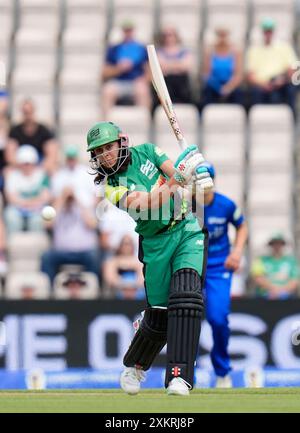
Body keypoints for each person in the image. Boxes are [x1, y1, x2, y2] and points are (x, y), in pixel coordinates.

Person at [86, 121, 213, 396]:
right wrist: (181, 175)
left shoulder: (147, 151)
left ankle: (180, 377)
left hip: (186, 228)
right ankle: (135, 365)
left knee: (186, 297)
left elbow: (176, 177)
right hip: (155, 244)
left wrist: (197, 175)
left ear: (121, 141)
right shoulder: (111, 188)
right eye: (98, 152)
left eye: (108, 147)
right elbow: (149, 203)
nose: (105, 154)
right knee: (159, 317)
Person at [202, 163, 248, 388]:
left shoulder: (225, 204)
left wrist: (237, 251)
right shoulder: (185, 205)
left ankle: (222, 371)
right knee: (182, 320)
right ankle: (182, 371)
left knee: (218, 319)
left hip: (219, 268)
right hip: (191, 266)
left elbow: (242, 225)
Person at [41, 186, 99, 285]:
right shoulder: (57, 210)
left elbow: (92, 224)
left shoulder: (83, 209)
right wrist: (62, 199)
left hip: (83, 252)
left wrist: (76, 199)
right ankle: (49, 292)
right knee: (46, 257)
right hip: (61, 252)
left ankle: (93, 290)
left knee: (94, 257)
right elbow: (47, 224)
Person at [246, 18, 297, 116]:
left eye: (270, 31)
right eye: (266, 31)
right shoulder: (253, 50)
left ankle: (292, 120)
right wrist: (264, 84)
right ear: (262, 32)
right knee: (256, 93)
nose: (268, 33)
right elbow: (250, 76)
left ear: (273, 32)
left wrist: (283, 80)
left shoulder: (284, 47)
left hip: (281, 83)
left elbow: (292, 69)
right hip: (261, 85)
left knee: (290, 89)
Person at [101, 21, 151, 118]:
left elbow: (149, 71)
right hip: (118, 82)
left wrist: (143, 79)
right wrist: (119, 68)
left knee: (143, 91)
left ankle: (144, 122)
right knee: (107, 91)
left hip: (136, 83)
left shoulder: (141, 49)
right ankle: (106, 125)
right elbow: (105, 72)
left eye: (130, 30)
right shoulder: (114, 49)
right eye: (126, 30)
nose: (128, 33)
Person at [4, 145, 50, 233]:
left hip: (37, 208)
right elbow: (11, 198)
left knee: (38, 219)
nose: (27, 166)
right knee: (10, 216)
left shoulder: (42, 175)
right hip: (18, 209)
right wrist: (29, 203)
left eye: (29, 163)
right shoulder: (13, 176)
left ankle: (38, 244)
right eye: (24, 163)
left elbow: (45, 196)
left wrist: (30, 204)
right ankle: (13, 244)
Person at [7, 98, 59, 174]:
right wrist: (25, 168)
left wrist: (38, 168)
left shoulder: (44, 131)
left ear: (33, 111)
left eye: (29, 112)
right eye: (25, 112)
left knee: (53, 169)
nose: (28, 115)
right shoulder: (15, 131)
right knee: (7, 172)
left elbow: (52, 155)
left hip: (40, 166)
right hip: (20, 166)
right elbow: (10, 156)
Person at [201, 27, 243, 108]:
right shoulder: (209, 52)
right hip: (214, 84)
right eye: (220, 35)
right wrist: (218, 87)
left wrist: (228, 87)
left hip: (230, 84)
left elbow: (238, 75)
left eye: (224, 35)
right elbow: (206, 74)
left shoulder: (235, 52)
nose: (222, 38)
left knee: (238, 93)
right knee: (207, 91)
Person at [251, 233, 299, 299]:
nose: (277, 246)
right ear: (271, 245)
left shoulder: (291, 261)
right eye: (274, 243)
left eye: (279, 243)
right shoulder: (261, 260)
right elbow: (258, 278)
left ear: (283, 245)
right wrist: (273, 289)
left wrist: (281, 291)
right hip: (264, 296)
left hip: (286, 298)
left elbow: (295, 281)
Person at [156, 27, 193, 105]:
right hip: (166, 83)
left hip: (182, 84)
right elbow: (159, 69)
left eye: (170, 35)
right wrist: (178, 64)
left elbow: (187, 67)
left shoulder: (184, 51)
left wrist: (168, 65)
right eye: (165, 35)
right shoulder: (159, 51)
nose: (168, 38)